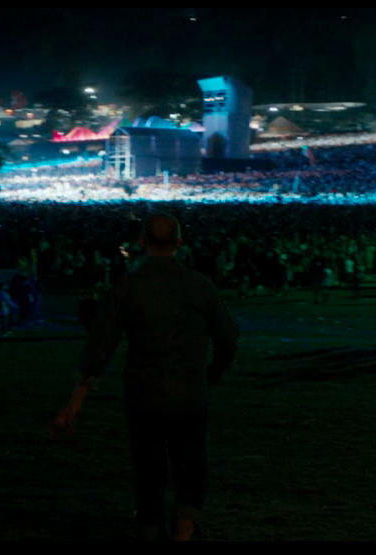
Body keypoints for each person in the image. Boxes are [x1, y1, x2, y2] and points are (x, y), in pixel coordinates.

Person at [54, 214, 238, 541]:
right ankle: (184, 529)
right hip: (189, 394)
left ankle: (151, 528)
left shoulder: (128, 287)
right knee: (190, 467)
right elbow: (227, 338)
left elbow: (100, 347)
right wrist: (213, 373)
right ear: (180, 244)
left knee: (149, 472)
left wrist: (75, 403)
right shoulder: (198, 285)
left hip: (144, 395)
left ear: (142, 243)